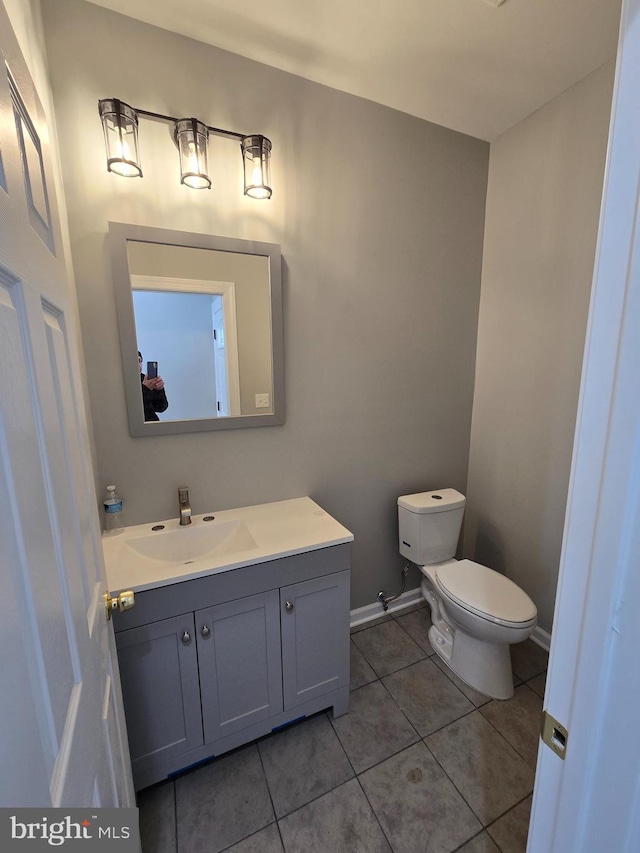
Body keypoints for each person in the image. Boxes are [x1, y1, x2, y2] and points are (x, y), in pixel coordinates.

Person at [138, 351, 168, 421]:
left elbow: (161, 407)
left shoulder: (146, 379)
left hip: (152, 424)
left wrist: (160, 390)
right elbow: (133, 407)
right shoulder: (121, 382)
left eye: (139, 360)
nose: (137, 364)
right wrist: (145, 388)